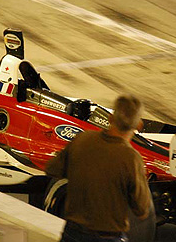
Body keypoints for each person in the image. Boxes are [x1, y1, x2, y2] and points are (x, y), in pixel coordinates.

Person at [45, 94, 152, 242]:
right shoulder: (132, 158)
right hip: (107, 237)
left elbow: (52, 169)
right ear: (138, 125)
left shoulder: (83, 139)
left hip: (72, 232)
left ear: (110, 118)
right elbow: (142, 210)